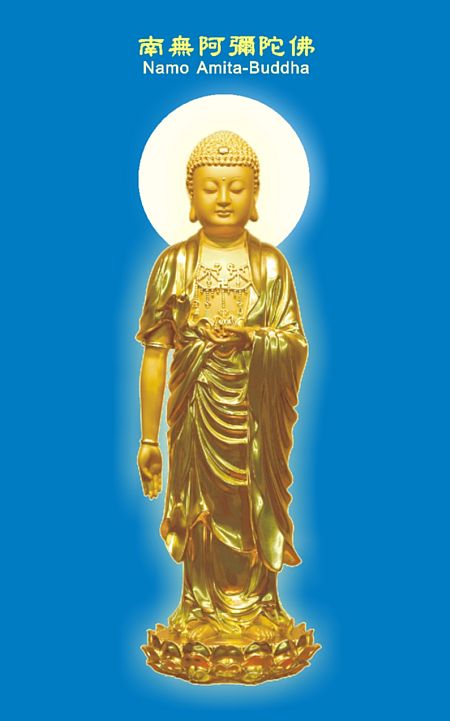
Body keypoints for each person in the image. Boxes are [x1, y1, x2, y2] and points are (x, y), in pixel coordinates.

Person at [136, 130, 318, 683]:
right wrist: (148, 439)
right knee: (201, 511)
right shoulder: (173, 264)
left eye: (235, 187)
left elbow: (294, 343)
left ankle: (260, 610)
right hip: (196, 412)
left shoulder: (271, 267)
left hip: (256, 415)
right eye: (210, 187)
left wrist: (252, 339)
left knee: (254, 501)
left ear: (254, 196)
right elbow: (155, 355)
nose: (222, 198)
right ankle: (199, 612)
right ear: (189, 195)